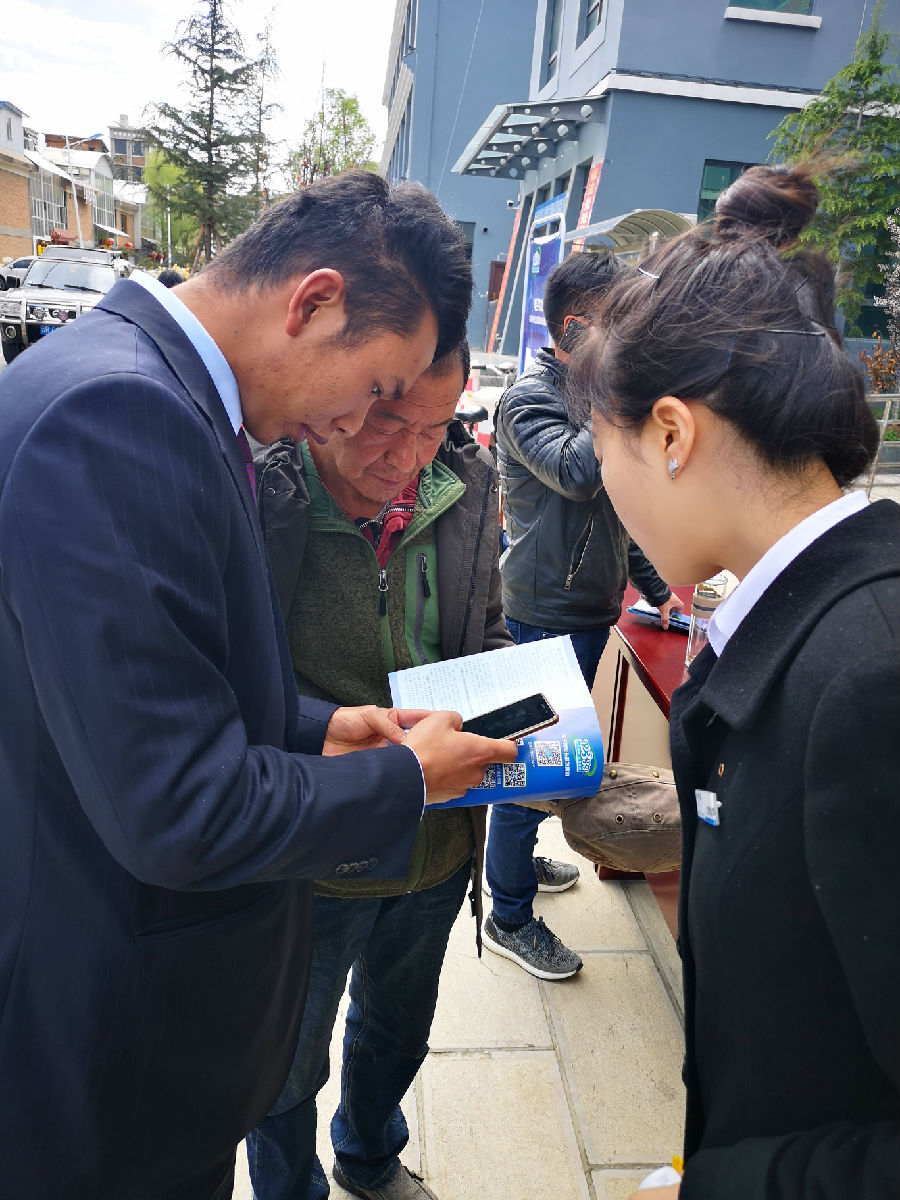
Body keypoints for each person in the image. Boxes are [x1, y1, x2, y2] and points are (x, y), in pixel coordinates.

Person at [0, 170, 518, 1200]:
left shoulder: (153, 393)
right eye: (376, 391)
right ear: (315, 302)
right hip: (109, 1046)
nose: (353, 424)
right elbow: (180, 807)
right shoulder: (120, 415)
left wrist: (318, 727)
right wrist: (406, 778)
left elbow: (163, 688)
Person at [565, 163, 898, 1200]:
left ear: (671, 433)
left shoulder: (870, 681)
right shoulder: (802, 620)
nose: (609, 488)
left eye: (604, 451)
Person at [246, 340, 508, 1200]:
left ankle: (368, 1155)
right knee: (285, 1060)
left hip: (437, 845)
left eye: (436, 428)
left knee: (398, 1028)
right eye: (388, 422)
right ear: (336, 394)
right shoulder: (264, 494)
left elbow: (486, 631)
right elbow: (225, 679)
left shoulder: (467, 486)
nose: (410, 457)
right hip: (316, 850)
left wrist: (529, 719)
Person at [483, 249, 682, 980]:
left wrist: (658, 591)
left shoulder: (589, 396)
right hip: (542, 614)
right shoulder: (528, 400)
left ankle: (520, 866)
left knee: (546, 762)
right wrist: (618, 388)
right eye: (617, 322)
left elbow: (616, 515)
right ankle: (508, 916)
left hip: (589, 611)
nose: (631, 335)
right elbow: (575, 472)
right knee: (526, 774)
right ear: (575, 327)